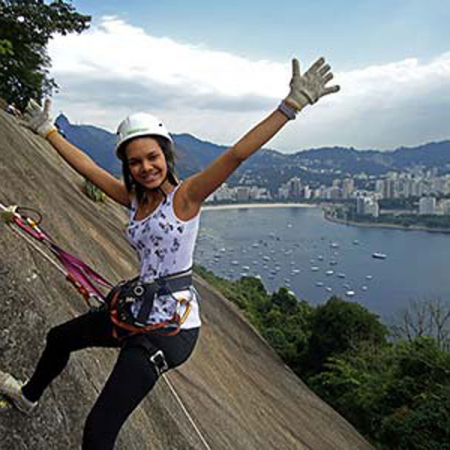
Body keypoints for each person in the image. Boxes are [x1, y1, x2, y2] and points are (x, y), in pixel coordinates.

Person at [0, 56, 339, 449]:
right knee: (59, 338)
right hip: (134, 309)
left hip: (168, 331)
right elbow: (89, 170)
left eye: (153, 158)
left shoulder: (187, 197)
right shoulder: (132, 199)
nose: (146, 167)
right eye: (136, 162)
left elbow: (235, 156)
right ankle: (27, 398)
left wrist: (289, 107)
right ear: (128, 167)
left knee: (98, 430)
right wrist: (48, 133)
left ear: (166, 155)